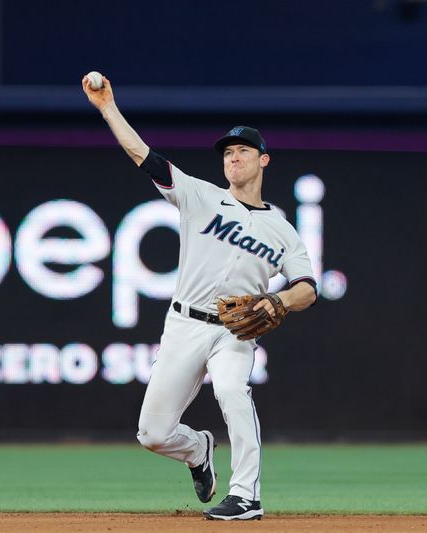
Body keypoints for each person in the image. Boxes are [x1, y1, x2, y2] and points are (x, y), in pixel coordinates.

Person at [82, 74, 317, 521]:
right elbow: (143, 157)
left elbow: (308, 287)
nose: (232, 158)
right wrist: (108, 108)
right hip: (184, 325)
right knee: (151, 434)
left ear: (263, 160)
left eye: (242, 151)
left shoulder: (283, 230)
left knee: (232, 389)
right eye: (227, 153)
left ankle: (246, 494)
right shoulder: (200, 197)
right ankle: (198, 450)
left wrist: (281, 301)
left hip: (235, 331)